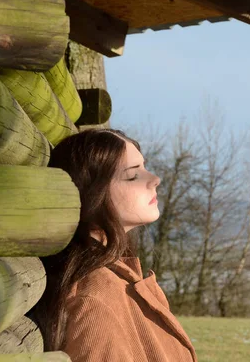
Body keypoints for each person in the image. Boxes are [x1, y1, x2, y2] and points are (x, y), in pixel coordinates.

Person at [34, 129, 197, 362]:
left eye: (144, 167)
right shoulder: (95, 300)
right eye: (132, 175)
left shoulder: (119, 276)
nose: (154, 179)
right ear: (92, 193)